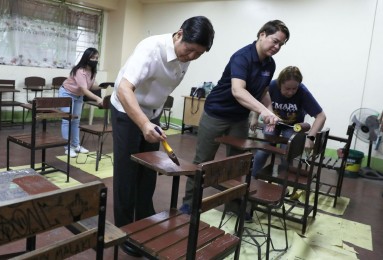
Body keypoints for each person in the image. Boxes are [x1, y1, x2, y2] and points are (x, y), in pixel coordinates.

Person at [110, 16, 215, 257]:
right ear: (178, 34)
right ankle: (124, 230)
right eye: (189, 50)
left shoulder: (185, 56)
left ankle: (146, 224)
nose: (190, 57)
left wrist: (150, 121)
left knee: (148, 170)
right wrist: (143, 122)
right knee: (127, 172)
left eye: (197, 55)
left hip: (151, 115)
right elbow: (124, 88)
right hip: (127, 110)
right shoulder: (151, 48)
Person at [180, 19, 290, 214]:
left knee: (238, 164)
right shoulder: (242, 57)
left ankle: (233, 204)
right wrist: (262, 111)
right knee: (203, 161)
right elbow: (238, 91)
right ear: (262, 34)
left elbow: (263, 92)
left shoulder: (270, 64)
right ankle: (190, 202)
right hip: (216, 114)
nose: (277, 46)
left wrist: (269, 110)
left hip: (239, 118)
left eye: (281, 44)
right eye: (275, 41)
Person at [250, 66, 326, 176]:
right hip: (273, 123)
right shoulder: (271, 86)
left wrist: (310, 138)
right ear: (280, 84)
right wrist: (254, 117)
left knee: (286, 154)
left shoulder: (303, 92)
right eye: (287, 89)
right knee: (263, 151)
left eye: (294, 89)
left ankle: (283, 184)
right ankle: (253, 177)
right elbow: (259, 100)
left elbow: (321, 116)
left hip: (292, 126)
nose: (291, 92)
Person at [59, 47, 103, 158]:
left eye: (97, 58)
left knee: (76, 121)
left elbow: (91, 85)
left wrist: (103, 85)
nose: (95, 60)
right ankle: (67, 148)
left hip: (78, 96)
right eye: (93, 57)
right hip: (67, 93)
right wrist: (98, 99)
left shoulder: (92, 71)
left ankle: (76, 145)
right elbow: (84, 89)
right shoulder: (80, 71)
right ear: (86, 57)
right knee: (67, 120)